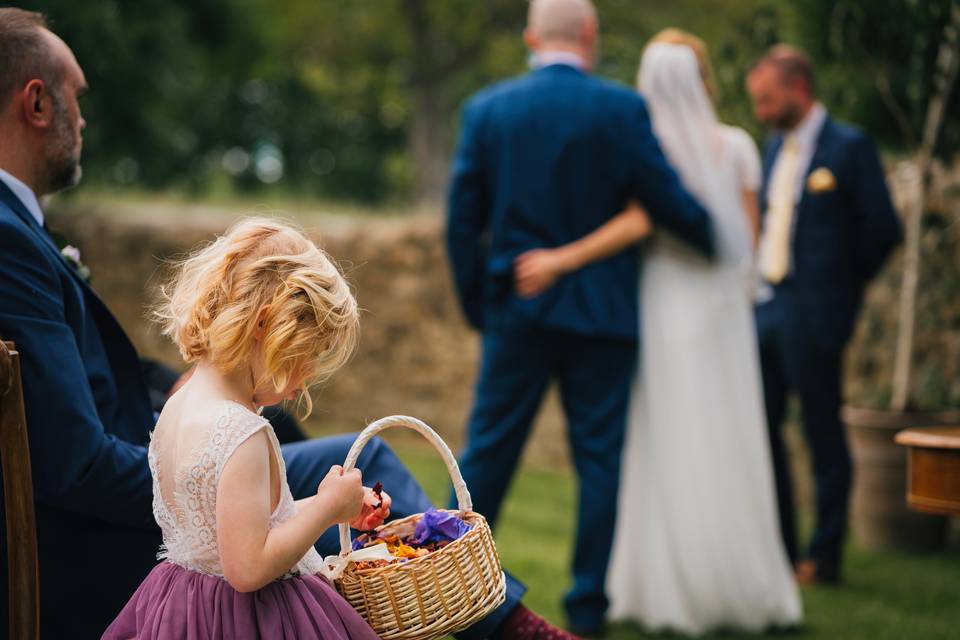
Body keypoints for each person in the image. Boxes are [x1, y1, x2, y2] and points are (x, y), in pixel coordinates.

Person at [0, 9, 568, 638]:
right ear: (34, 102)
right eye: (75, 97)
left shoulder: (189, 404)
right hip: (160, 556)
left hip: (176, 578)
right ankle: (508, 625)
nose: (83, 115)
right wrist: (316, 505)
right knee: (362, 455)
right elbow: (241, 563)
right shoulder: (10, 241)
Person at [514, 31, 802, 635]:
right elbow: (747, 245)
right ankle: (744, 580)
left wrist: (564, 259)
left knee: (660, 440)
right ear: (704, 77)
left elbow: (640, 221)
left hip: (661, 307)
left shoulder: (643, 148)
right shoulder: (737, 146)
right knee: (727, 437)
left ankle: (657, 584)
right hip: (721, 313)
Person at [446, 1, 715, 634]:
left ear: (531, 37)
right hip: (604, 319)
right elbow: (666, 199)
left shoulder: (488, 109)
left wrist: (479, 306)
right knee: (599, 463)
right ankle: (587, 607)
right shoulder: (621, 109)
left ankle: (449, 592)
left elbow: (462, 224)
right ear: (590, 36)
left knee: (488, 454)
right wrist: (714, 234)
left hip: (519, 311)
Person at [103, 218, 384, 638]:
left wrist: (335, 504)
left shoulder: (179, 407)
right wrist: (327, 509)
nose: (302, 382)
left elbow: (241, 526)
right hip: (249, 621)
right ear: (263, 326)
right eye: (302, 359)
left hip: (183, 610)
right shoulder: (242, 432)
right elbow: (249, 567)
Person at [746, 45, 902, 584]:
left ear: (796, 88)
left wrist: (838, 289)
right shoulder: (772, 149)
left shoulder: (849, 147)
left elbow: (883, 229)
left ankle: (826, 555)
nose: (761, 111)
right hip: (766, 309)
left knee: (821, 435)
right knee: (763, 431)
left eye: (767, 100)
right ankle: (783, 552)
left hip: (816, 313)